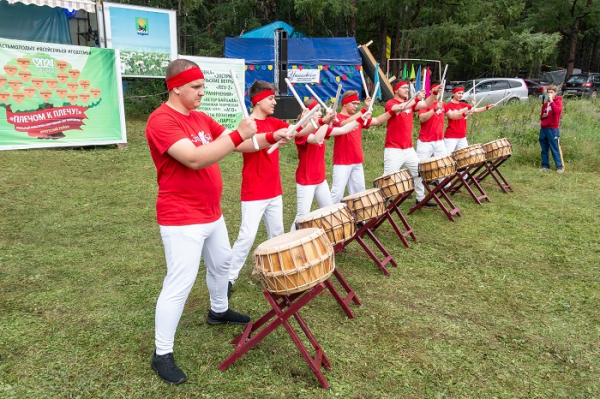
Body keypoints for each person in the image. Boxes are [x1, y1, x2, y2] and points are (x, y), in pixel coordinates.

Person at [145, 59, 279, 384]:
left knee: (222, 264)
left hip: (211, 212)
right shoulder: (161, 121)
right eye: (196, 87)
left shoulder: (201, 118)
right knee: (180, 282)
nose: (201, 93)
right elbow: (194, 158)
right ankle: (161, 353)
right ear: (175, 86)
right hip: (181, 216)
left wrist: (268, 138)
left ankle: (218, 311)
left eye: (202, 86)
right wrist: (237, 134)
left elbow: (241, 145)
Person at [226, 81, 313, 291]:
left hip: (274, 190)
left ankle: (281, 273)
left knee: (278, 234)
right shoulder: (248, 125)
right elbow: (246, 143)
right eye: (271, 98)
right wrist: (272, 137)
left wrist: (319, 120)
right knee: (247, 236)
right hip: (254, 190)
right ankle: (227, 279)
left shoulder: (274, 122)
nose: (275, 102)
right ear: (257, 100)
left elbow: (299, 131)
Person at [291, 99, 368, 229]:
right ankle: (291, 240)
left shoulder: (320, 129)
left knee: (329, 211)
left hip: (320, 179)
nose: (320, 114)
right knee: (302, 216)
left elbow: (343, 130)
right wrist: (327, 122)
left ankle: (332, 241)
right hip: (306, 180)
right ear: (308, 113)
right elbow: (316, 139)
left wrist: (360, 119)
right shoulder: (301, 133)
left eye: (320, 111)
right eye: (317, 111)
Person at [329, 90, 397, 203]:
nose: (356, 106)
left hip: (357, 160)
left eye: (357, 103)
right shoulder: (337, 118)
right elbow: (343, 124)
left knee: (359, 192)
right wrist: (363, 110)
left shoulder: (358, 117)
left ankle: (360, 219)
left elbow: (377, 120)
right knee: (337, 192)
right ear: (344, 103)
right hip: (342, 161)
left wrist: (391, 112)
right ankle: (330, 218)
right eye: (353, 103)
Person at [383, 80, 438, 206]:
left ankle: (420, 198)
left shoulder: (411, 104)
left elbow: (425, 104)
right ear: (395, 90)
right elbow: (400, 108)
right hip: (394, 148)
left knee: (419, 172)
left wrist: (434, 93)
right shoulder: (391, 103)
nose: (407, 90)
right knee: (387, 178)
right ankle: (382, 201)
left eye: (407, 88)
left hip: (408, 149)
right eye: (403, 88)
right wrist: (416, 99)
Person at [415, 83, 466, 197]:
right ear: (432, 90)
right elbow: (422, 118)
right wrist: (434, 109)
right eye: (437, 90)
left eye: (441, 90)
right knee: (420, 168)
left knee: (443, 164)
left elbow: (452, 115)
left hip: (439, 141)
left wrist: (464, 113)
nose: (439, 92)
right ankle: (419, 196)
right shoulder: (424, 104)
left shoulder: (442, 103)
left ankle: (444, 187)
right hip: (425, 141)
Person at [444, 86, 495, 153]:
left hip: (462, 136)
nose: (461, 95)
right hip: (451, 136)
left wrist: (487, 107)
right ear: (453, 93)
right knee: (447, 156)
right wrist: (469, 105)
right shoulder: (449, 105)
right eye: (459, 93)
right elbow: (455, 113)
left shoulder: (463, 104)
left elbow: (476, 110)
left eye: (462, 93)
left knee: (465, 156)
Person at [539, 84, 564, 173]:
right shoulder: (545, 104)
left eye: (551, 92)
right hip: (544, 128)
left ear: (555, 93)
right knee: (544, 148)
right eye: (548, 92)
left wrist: (551, 100)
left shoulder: (558, 102)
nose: (549, 94)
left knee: (554, 148)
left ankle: (559, 167)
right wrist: (543, 116)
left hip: (553, 128)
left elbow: (557, 111)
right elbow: (541, 116)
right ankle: (545, 165)